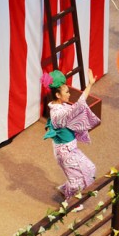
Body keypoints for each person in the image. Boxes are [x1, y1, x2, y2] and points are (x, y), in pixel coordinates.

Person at [42, 68, 100, 200]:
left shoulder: (59, 107)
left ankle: (64, 188)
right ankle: (71, 201)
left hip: (70, 149)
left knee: (90, 168)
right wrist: (90, 85)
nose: (69, 94)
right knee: (77, 182)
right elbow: (78, 106)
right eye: (67, 92)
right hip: (65, 152)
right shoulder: (58, 113)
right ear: (58, 95)